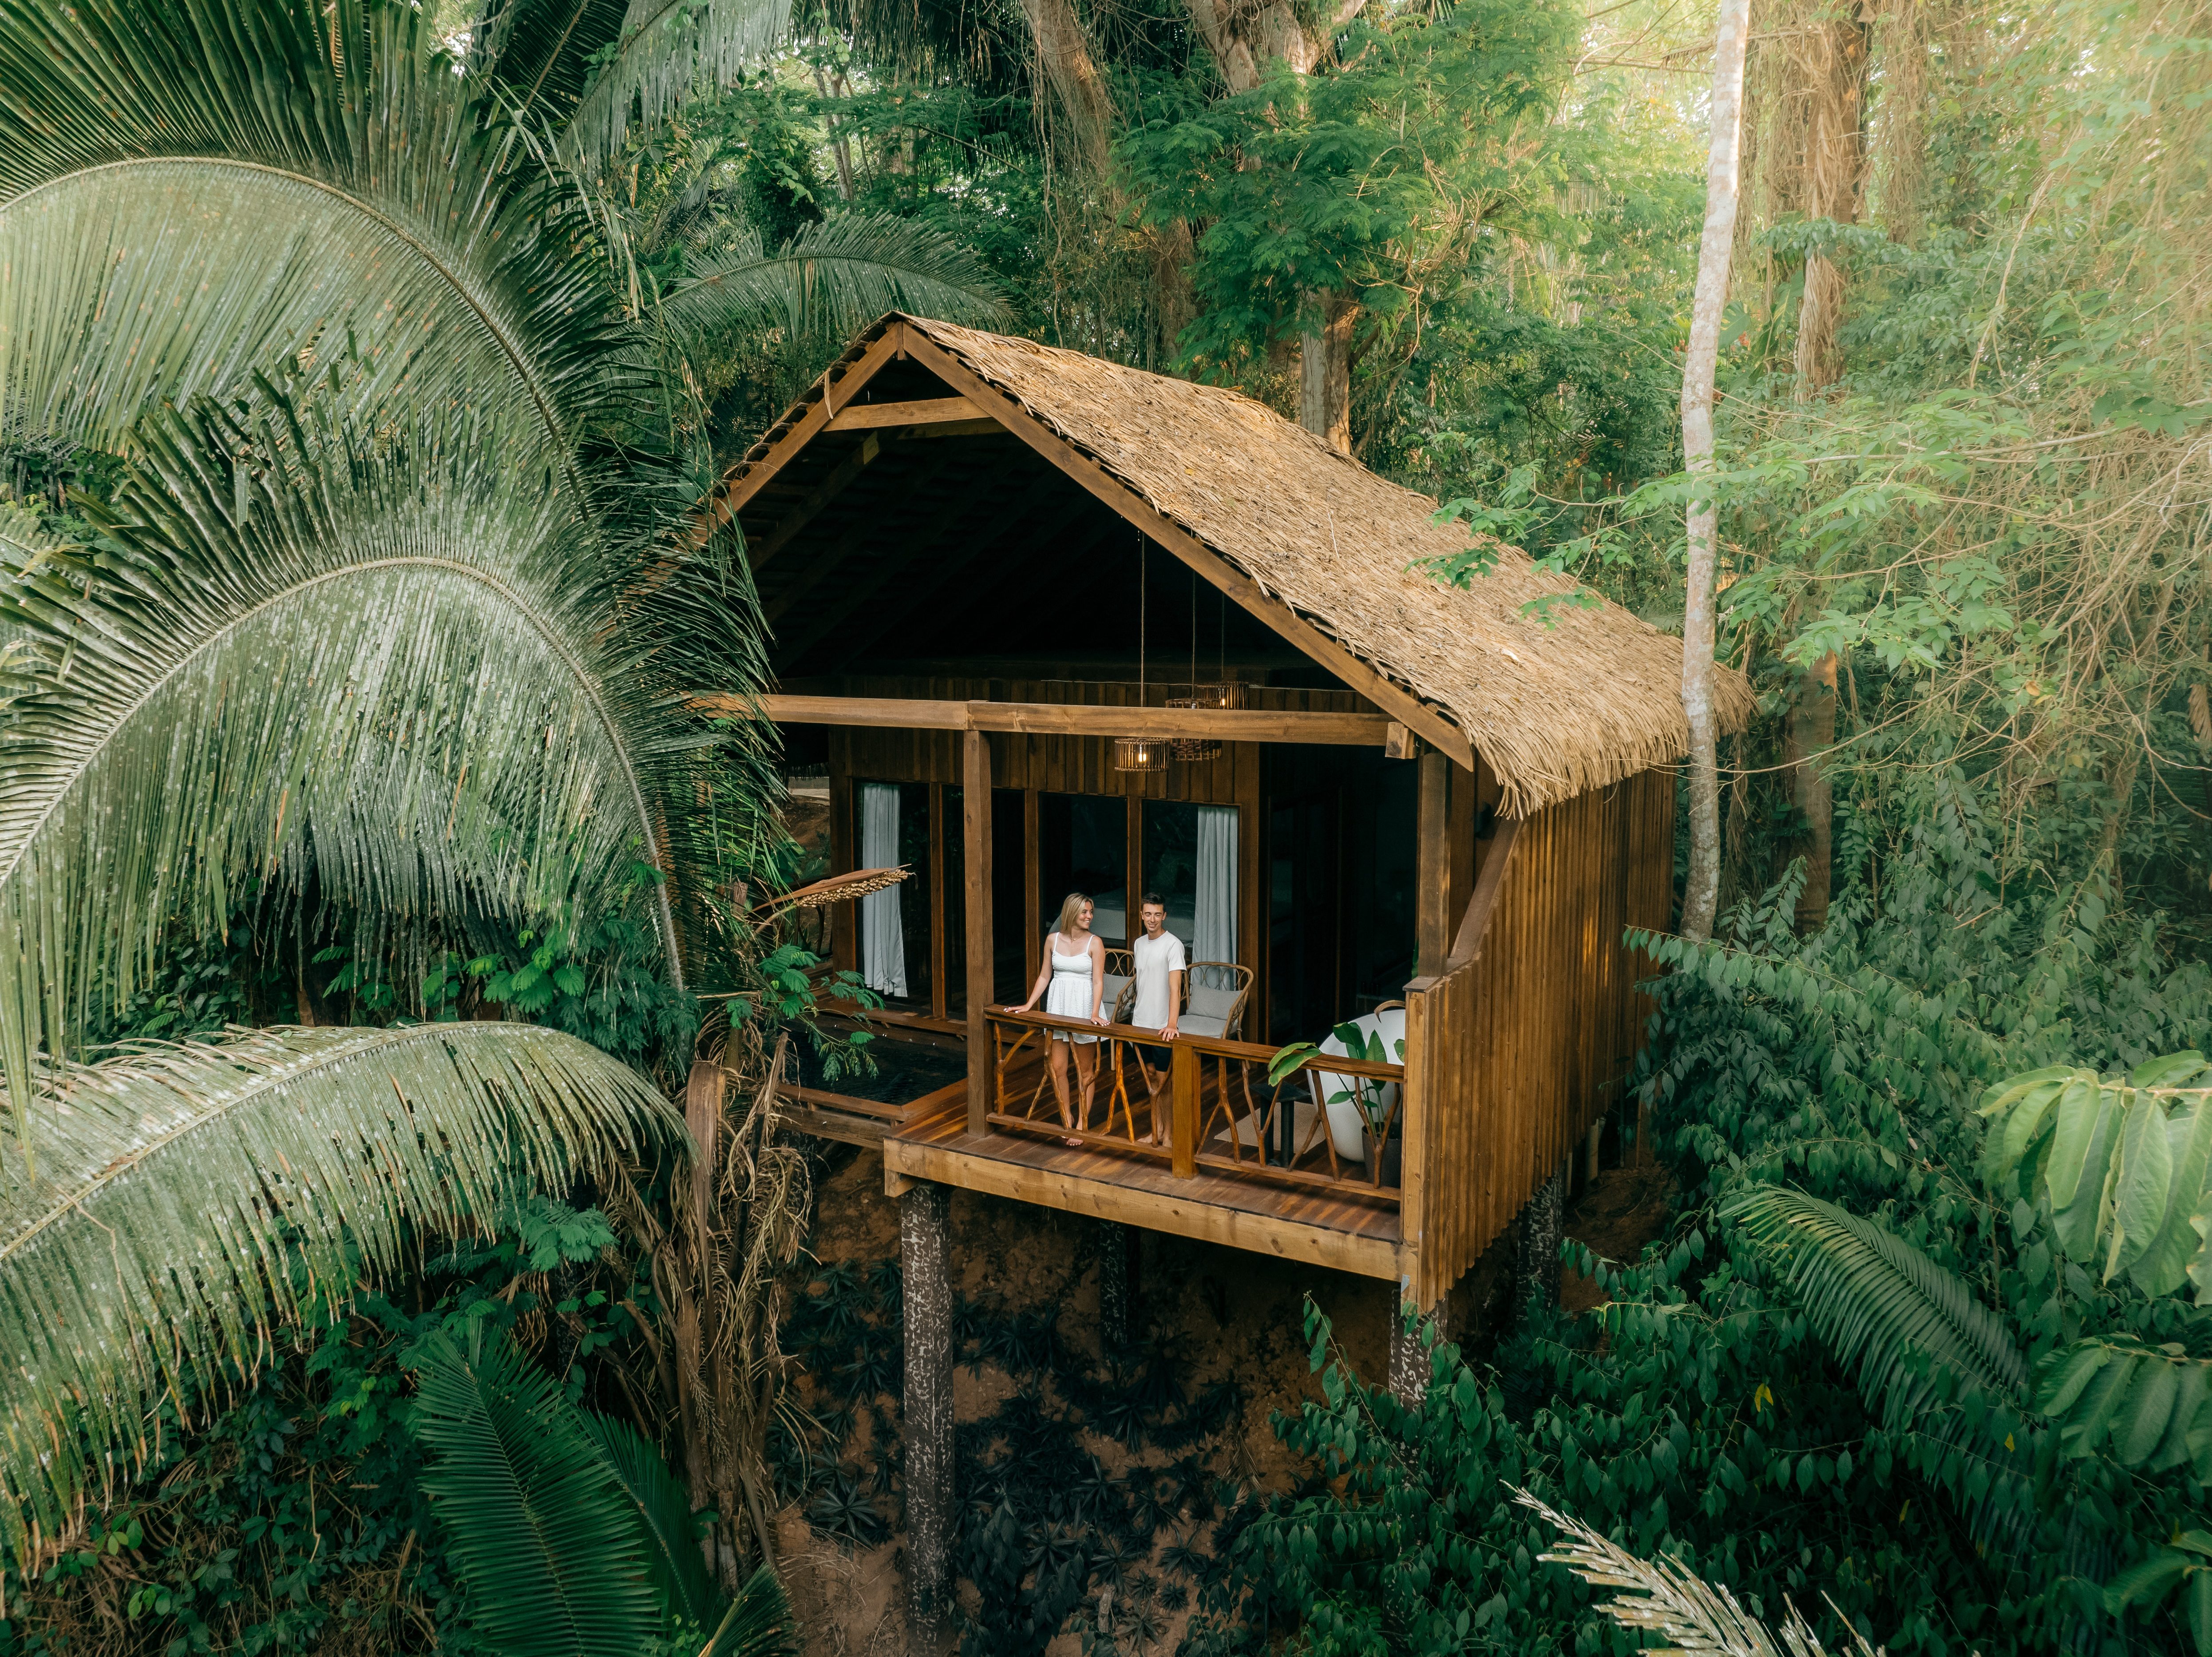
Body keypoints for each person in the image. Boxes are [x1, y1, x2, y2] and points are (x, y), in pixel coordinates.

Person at [1009, 892, 1108, 1146]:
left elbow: (1098, 980)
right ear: (1071, 913)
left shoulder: (1095, 943)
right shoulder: (1052, 940)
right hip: (1058, 1007)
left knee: (1086, 1072)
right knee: (1057, 1068)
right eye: (1085, 912)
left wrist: (1094, 1013)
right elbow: (1045, 976)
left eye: (1091, 912)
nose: (1089, 917)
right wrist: (1029, 1004)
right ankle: (1067, 1116)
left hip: (1084, 1006)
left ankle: (1083, 1121)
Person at [1129, 893, 1185, 1147]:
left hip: (1163, 1027)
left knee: (1165, 1082)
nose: (1153, 919)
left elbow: (1176, 989)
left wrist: (1172, 1024)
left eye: (1157, 914)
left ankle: (1170, 1136)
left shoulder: (1173, 945)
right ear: (1142, 916)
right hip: (1140, 1023)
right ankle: (1157, 1130)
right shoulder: (1139, 944)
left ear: (1165, 916)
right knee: (1151, 1078)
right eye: (1148, 914)